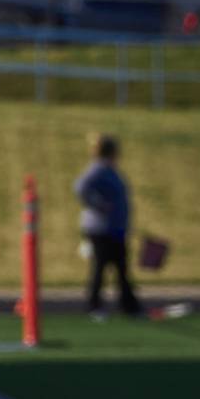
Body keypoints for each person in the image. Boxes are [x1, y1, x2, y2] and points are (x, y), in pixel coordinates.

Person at [74, 133, 141, 319]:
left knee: (121, 266)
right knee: (101, 266)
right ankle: (94, 305)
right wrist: (98, 204)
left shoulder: (110, 170)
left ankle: (129, 305)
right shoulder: (99, 169)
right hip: (101, 229)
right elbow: (80, 187)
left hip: (114, 228)